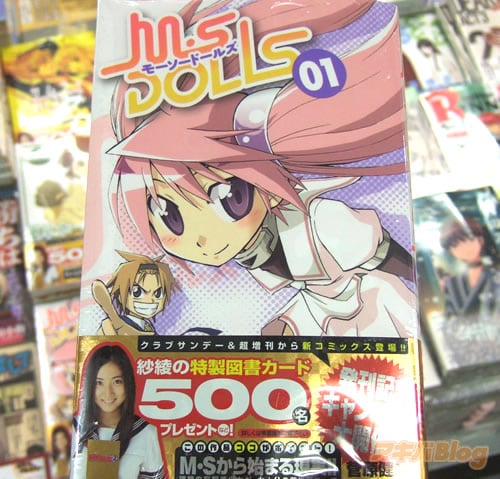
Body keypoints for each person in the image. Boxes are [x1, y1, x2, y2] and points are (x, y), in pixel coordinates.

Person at [105, 0, 417, 337]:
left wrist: (416, 299)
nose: (204, 239)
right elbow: (314, 293)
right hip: (329, 316)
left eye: (231, 199)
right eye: (170, 218)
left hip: (379, 305)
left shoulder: (322, 222)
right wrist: (287, 324)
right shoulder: (254, 250)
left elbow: (385, 262)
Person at [72, 344, 165, 479]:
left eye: (117, 382)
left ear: (128, 384)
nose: (108, 393)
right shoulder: (75, 429)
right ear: (89, 385)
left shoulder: (145, 432)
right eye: (99, 383)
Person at [92, 251, 176, 334]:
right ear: (120, 296)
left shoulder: (147, 326)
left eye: (157, 294)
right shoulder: (115, 325)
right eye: (137, 292)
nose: (150, 300)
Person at [439, 216, 499, 318]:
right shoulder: (452, 283)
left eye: (468, 240)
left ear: (480, 239)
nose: (463, 248)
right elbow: (449, 317)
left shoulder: (495, 273)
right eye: (455, 245)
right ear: (451, 251)